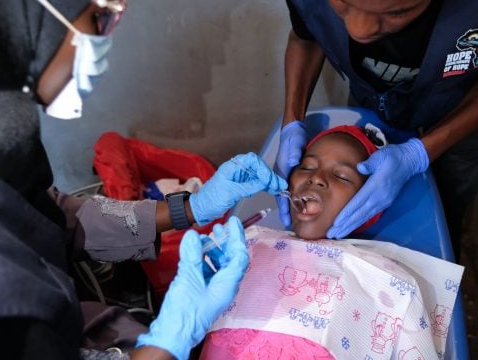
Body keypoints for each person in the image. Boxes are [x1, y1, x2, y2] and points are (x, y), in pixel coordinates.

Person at [0, 0, 288, 359]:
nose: (104, 34)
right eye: (100, 13)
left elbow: (52, 219)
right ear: (14, 10)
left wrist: (191, 207)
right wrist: (169, 343)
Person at [274, 0, 478, 258]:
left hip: (468, 109)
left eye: (396, 11)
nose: (358, 29)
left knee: (449, 198)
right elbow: (305, 37)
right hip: (373, 102)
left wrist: (419, 154)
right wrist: (291, 121)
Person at [198, 125, 464, 359]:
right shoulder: (244, 244)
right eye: (307, 167)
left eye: (342, 176)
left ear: (370, 203)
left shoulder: (392, 280)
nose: (316, 178)